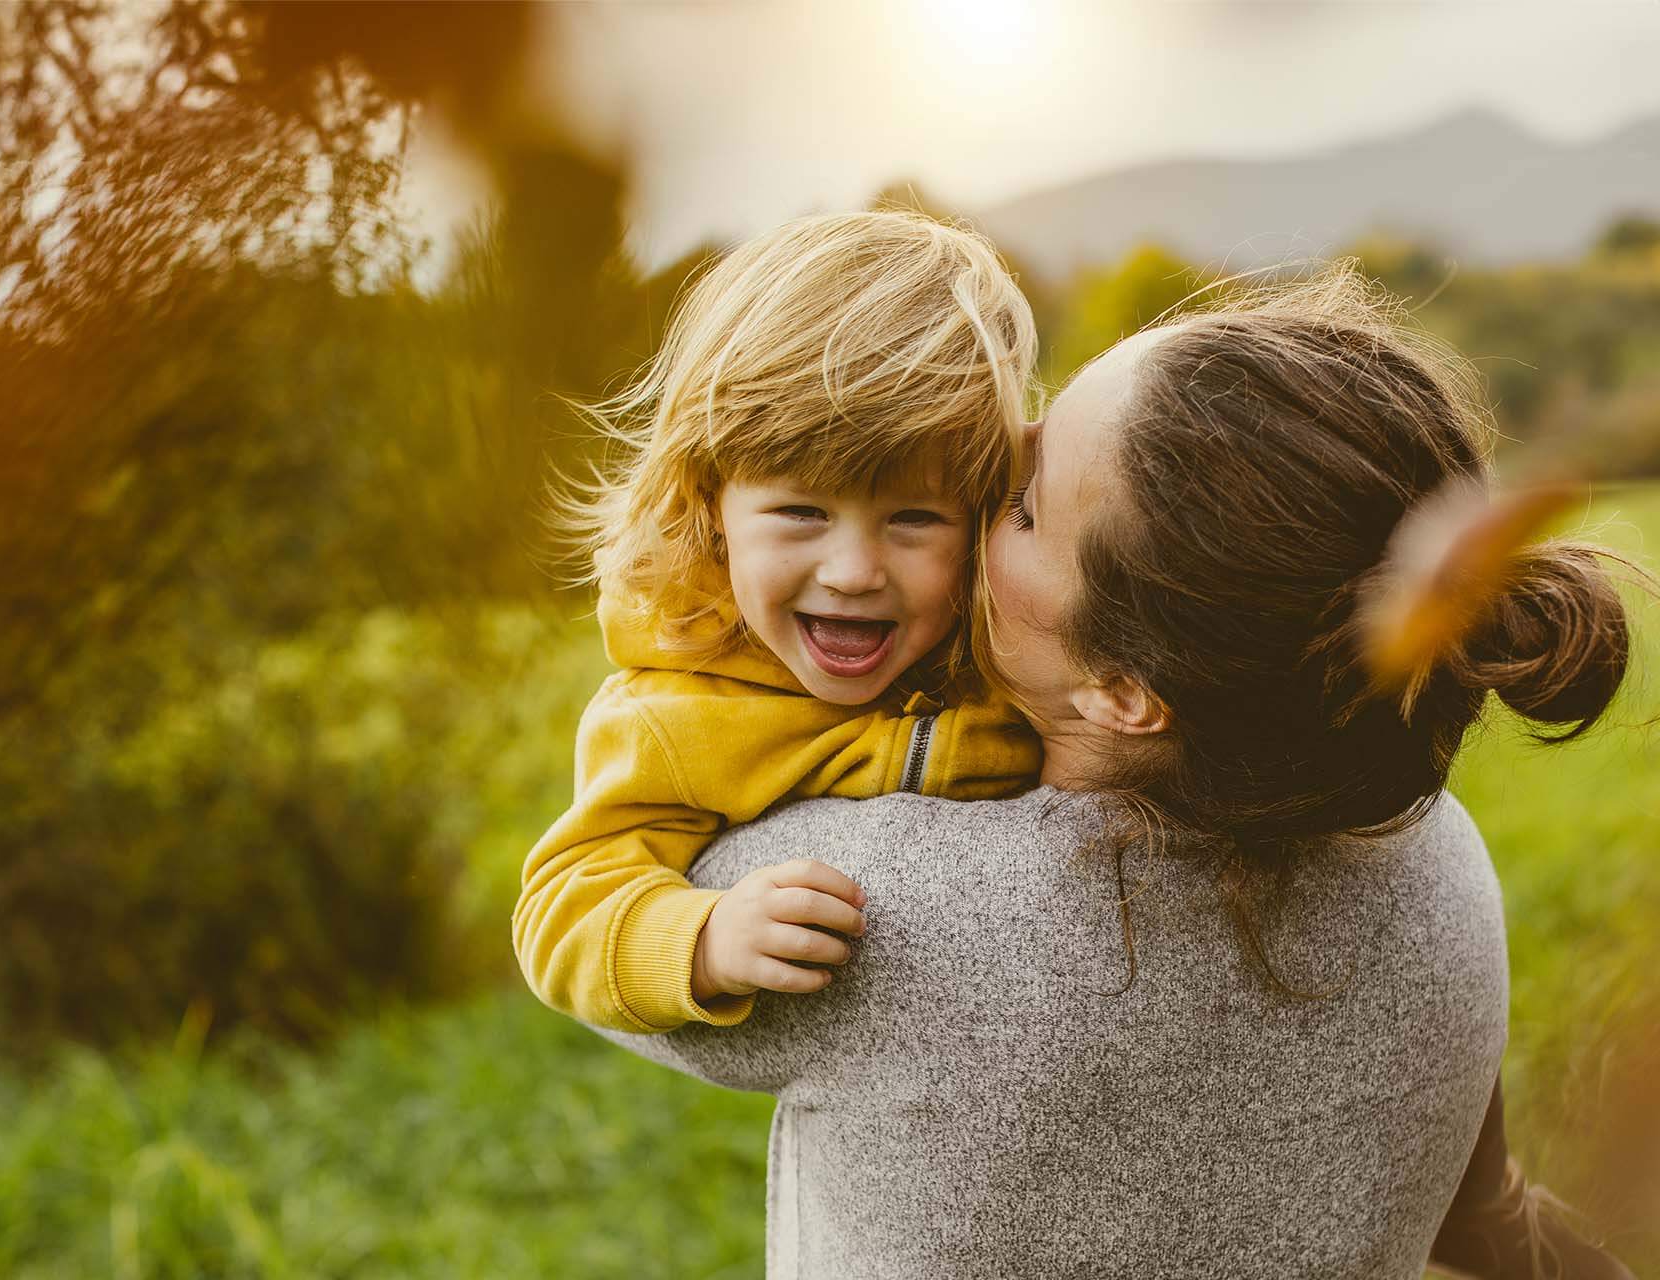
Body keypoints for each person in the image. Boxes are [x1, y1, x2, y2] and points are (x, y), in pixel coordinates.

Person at [596, 268, 1639, 1277]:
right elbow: (1487, 1216)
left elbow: (602, 931)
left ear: (1124, 688)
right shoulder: (1434, 857)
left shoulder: (870, 902)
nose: (973, 481)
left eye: (1017, 505)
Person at [513, 210, 1041, 1037]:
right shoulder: (677, 712)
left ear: (981, 517)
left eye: (914, 520)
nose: (854, 572)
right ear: (709, 505)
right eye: (800, 512)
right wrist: (703, 940)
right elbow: (562, 905)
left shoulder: (1011, 641)